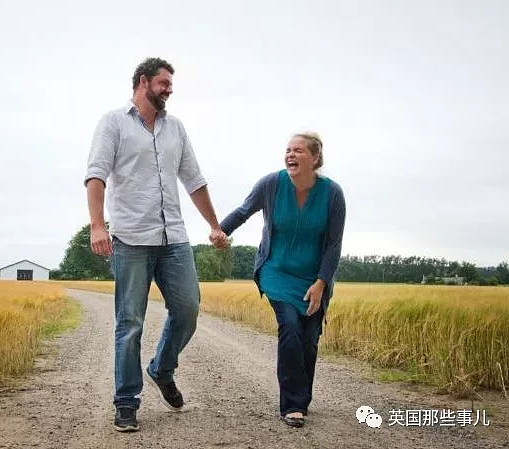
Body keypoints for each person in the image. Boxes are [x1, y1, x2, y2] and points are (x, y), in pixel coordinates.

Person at [85, 57, 228, 433]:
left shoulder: (175, 128)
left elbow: (194, 180)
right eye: (164, 83)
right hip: (131, 239)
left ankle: (162, 369)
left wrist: (214, 225)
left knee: (188, 309)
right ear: (143, 82)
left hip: (174, 240)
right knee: (129, 323)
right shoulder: (113, 123)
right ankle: (126, 402)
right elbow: (96, 175)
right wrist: (97, 226)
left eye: (170, 85)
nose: (169, 90)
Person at [216, 132, 346, 428]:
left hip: (315, 278)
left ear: (315, 158)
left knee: (309, 339)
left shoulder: (333, 194)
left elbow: (334, 245)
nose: (290, 155)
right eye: (287, 150)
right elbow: (243, 210)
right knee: (289, 326)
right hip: (276, 270)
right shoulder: (272, 184)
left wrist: (321, 282)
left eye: (298, 150)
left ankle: (303, 398)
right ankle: (292, 405)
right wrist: (220, 230)